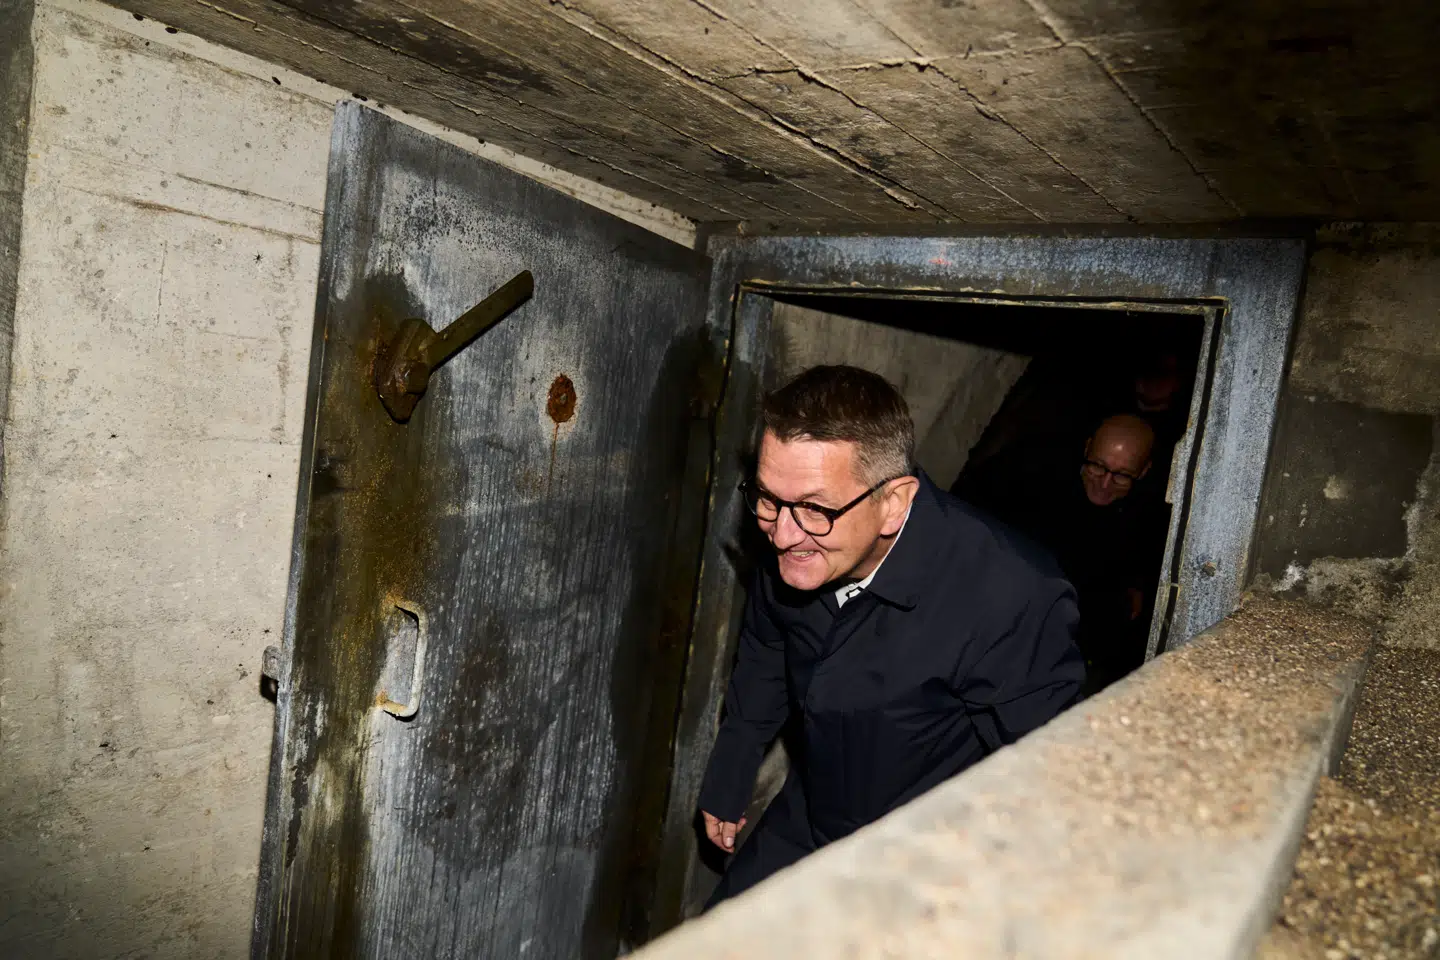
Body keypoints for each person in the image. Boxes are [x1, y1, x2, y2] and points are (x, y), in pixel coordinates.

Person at [697, 365, 1085, 904]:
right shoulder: (798, 537)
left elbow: (1049, 781)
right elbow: (769, 641)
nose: (782, 535)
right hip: (807, 819)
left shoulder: (1011, 596)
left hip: (921, 862)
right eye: (767, 498)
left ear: (894, 502)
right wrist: (735, 759)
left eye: (814, 508)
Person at [953, 414, 1167, 693]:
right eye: (1098, 467)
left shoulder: (1148, 515)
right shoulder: (1029, 472)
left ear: (1144, 471)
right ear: (1087, 448)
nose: (1105, 483)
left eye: (1122, 476)